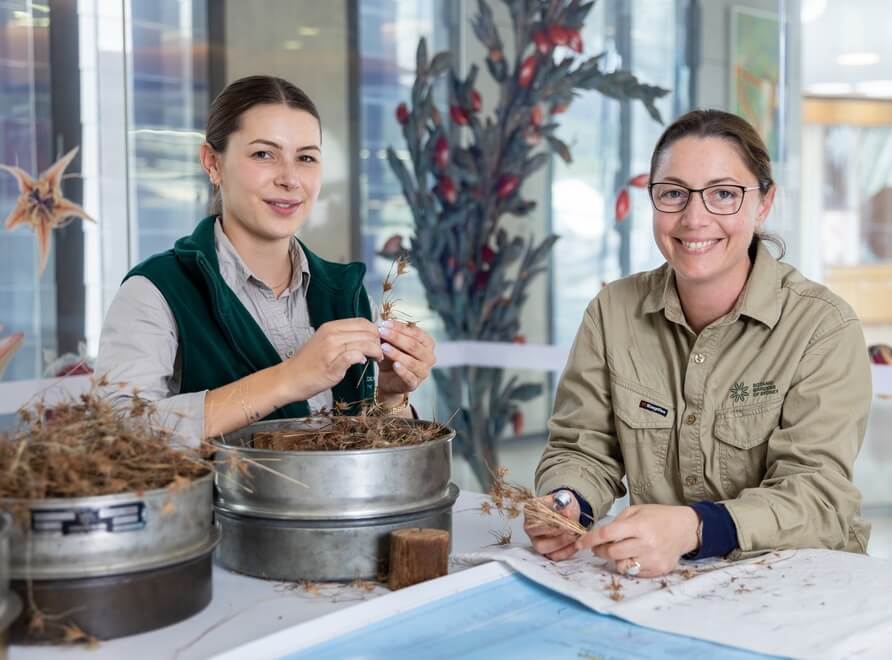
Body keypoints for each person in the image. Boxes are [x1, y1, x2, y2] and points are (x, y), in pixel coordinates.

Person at [525, 109, 871, 578]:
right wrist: (569, 502)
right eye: (673, 194)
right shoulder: (612, 312)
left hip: (802, 585)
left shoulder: (822, 328)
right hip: (659, 582)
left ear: (764, 202)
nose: (694, 218)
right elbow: (583, 447)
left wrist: (696, 528)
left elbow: (819, 496)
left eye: (724, 194)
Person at [96, 75, 436, 444]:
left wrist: (389, 398)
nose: (290, 179)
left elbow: (375, 462)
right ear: (212, 163)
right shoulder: (156, 290)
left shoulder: (347, 295)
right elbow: (117, 436)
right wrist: (289, 378)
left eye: (306, 158)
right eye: (264, 154)